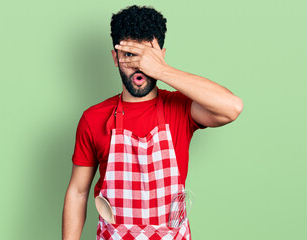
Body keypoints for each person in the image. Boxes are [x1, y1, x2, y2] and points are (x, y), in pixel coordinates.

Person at [62, 5, 243, 240]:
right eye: (129, 55)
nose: (139, 66)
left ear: (161, 57)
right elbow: (77, 193)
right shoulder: (93, 118)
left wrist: (162, 70)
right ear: (115, 58)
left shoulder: (181, 108)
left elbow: (232, 107)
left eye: (146, 56)